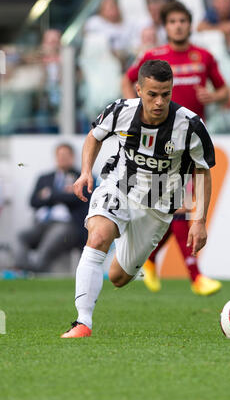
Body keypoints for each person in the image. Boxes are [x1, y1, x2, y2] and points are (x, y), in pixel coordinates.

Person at [61, 60, 216, 338]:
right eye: (152, 94)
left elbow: (202, 171)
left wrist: (199, 219)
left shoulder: (190, 125)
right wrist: (86, 172)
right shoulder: (120, 110)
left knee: (119, 278)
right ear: (139, 89)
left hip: (157, 208)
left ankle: (130, 256)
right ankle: (83, 322)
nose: (159, 102)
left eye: (166, 94)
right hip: (118, 187)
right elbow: (94, 137)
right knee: (97, 238)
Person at [121, 0, 227, 295]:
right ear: (165, 26)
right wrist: (134, 113)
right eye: (173, 21)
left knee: (175, 207)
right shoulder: (154, 57)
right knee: (179, 207)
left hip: (192, 141)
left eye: (183, 21)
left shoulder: (203, 56)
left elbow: (225, 89)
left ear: (190, 25)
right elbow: (128, 80)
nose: (178, 25)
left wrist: (214, 96)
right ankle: (195, 277)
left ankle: (152, 261)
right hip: (159, 145)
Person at [14, 144, 91, 273]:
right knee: (21, 235)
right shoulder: (44, 178)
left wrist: (49, 194)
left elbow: (79, 199)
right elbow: (33, 201)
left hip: (67, 225)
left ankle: (36, 269)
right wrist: (63, 194)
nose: (62, 158)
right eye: (60, 155)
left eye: (66, 156)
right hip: (42, 222)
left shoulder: (81, 177)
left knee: (54, 235)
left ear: (72, 157)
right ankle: (23, 268)